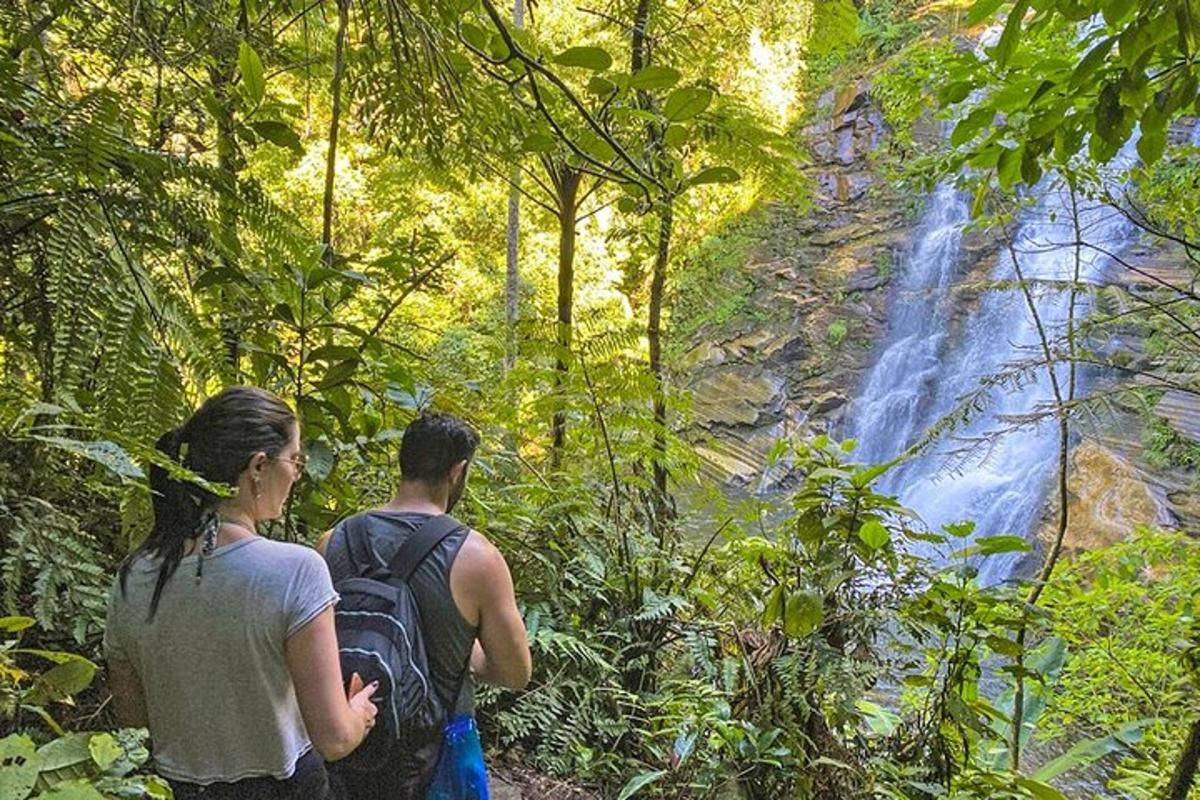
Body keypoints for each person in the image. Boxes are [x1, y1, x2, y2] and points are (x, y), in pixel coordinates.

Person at [104, 386, 379, 800]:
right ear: (258, 466)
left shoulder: (133, 577)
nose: (297, 474)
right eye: (295, 460)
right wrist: (359, 712)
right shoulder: (296, 571)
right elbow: (334, 738)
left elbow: (135, 728)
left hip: (170, 789)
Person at [318, 412, 531, 800]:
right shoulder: (477, 557)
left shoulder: (333, 541)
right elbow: (515, 672)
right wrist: (464, 649)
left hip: (346, 742)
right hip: (440, 750)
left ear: (405, 462)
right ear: (458, 471)